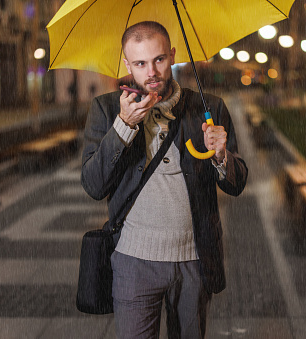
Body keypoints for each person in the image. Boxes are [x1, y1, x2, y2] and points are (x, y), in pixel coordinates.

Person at [81, 21, 248, 338]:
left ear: (172, 55)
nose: (151, 72)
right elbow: (93, 185)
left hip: (194, 260)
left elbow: (236, 184)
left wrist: (221, 155)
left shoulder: (208, 107)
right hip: (133, 262)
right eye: (140, 63)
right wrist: (123, 127)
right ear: (127, 64)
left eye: (159, 59)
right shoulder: (105, 110)